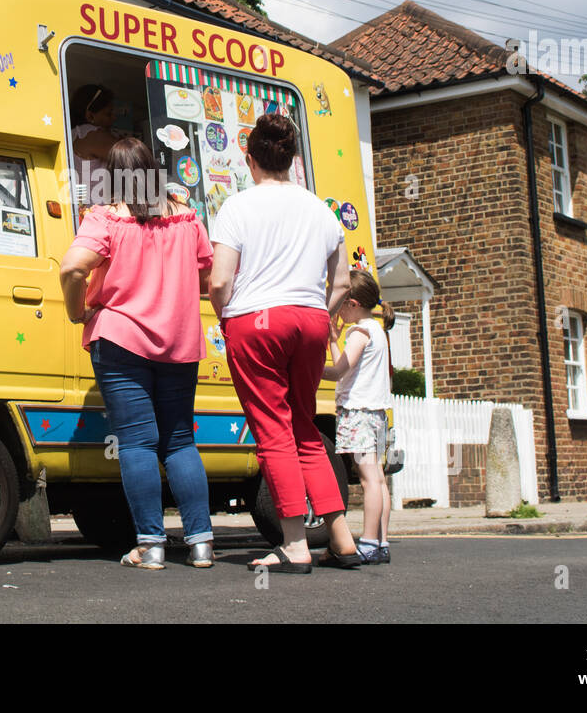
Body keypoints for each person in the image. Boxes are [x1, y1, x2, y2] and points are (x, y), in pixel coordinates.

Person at [208, 113, 360, 573]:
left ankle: (294, 544)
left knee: (273, 431)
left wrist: (226, 317)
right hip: (311, 319)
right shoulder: (321, 210)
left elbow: (219, 280)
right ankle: (342, 538)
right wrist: (321, 315)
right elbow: (341, 283)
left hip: (256, 322)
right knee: (305, 428)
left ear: (250, 160)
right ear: (292, 161)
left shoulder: (237, 207)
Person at [59, 137, 216, 569]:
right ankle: (201, 543)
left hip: (121, 340)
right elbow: (207, 277)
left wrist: (79, 311)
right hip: (179, 342)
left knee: (137, 443)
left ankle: (150, 546)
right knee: (181, 439)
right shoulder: (187, 219)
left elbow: (72, 267)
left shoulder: (105, 219)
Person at [323, 269, 394, 565]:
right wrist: (334, 340)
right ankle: (381, 541)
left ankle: (366, 541)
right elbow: (350, 367)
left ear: (352, 303)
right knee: (378, 478)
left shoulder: (360, 332)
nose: (337, 307)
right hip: (375, 413)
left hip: (359, 413)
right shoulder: (375, 330)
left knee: (368, 481)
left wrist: (304, 372)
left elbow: (339, 371)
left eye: (340, 301)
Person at [70, 84, 118, 200]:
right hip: (97, 207)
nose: (114, 118)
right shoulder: (93, 135)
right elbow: (132, 158)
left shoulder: (73, 134)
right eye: (108, 113)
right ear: (90, 115)